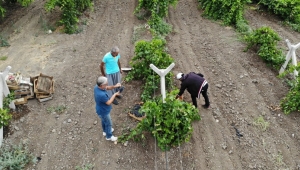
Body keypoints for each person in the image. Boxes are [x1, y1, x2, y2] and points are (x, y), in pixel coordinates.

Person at [94, 76, 121, 142]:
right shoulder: (101, 95)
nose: (107, 85)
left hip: (100, 110)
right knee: (108, 123)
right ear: (101, 85)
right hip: (104, 111)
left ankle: (105, 131)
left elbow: (107, 88)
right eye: (106, 84)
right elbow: (108, 102)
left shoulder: (96, 87)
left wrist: (115, 86)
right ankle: (109, 136)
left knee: (104, 121)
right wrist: (114, 95)